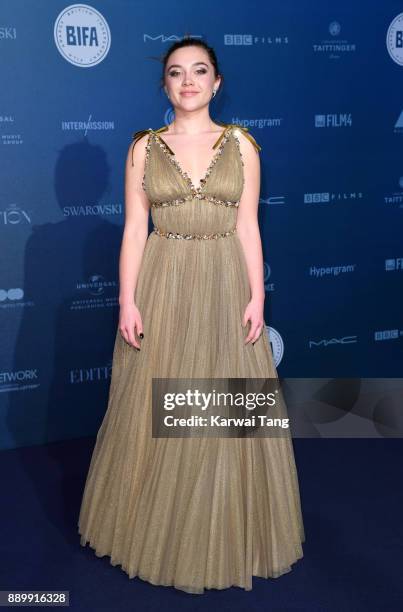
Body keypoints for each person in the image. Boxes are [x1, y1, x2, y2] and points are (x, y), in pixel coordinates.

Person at [78, 37, 305, 594]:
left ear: (217, 82)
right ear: (165, 85)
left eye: (199, 71)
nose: (188, 81)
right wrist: (127, 299)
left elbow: (249, 226)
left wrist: (258, 296)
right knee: (157, 402)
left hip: (227, 282)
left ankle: (227, 531)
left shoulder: (243, 145)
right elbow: (136, 230)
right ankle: (152, 529)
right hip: (166, 279)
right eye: (176, 73)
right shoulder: (143, 149)